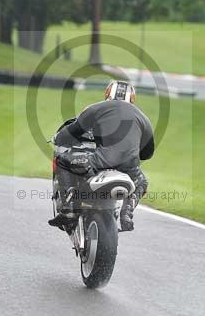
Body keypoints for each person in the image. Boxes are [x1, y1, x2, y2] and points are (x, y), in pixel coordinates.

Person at [48, 80, 154, 231]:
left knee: (61, 161)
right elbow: (147, 154)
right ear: (132, 98)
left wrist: (59, 138)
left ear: (107, 93)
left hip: (99, 161)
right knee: (142, 182)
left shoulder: (96, 108)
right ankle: (127, 212)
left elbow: (72, 132)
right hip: (130, 168)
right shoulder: (144, 118)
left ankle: (69, 209)